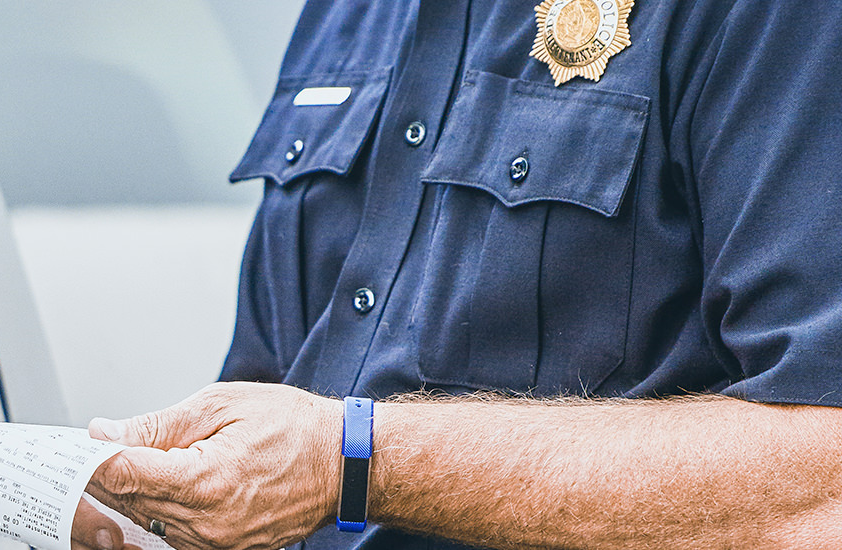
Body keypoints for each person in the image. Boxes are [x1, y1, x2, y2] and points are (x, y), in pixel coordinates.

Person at [72, 0, 842, 548]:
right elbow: (268, 409)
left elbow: (824, 481)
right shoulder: (347, 14)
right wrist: (161, 512)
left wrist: (353, 462)